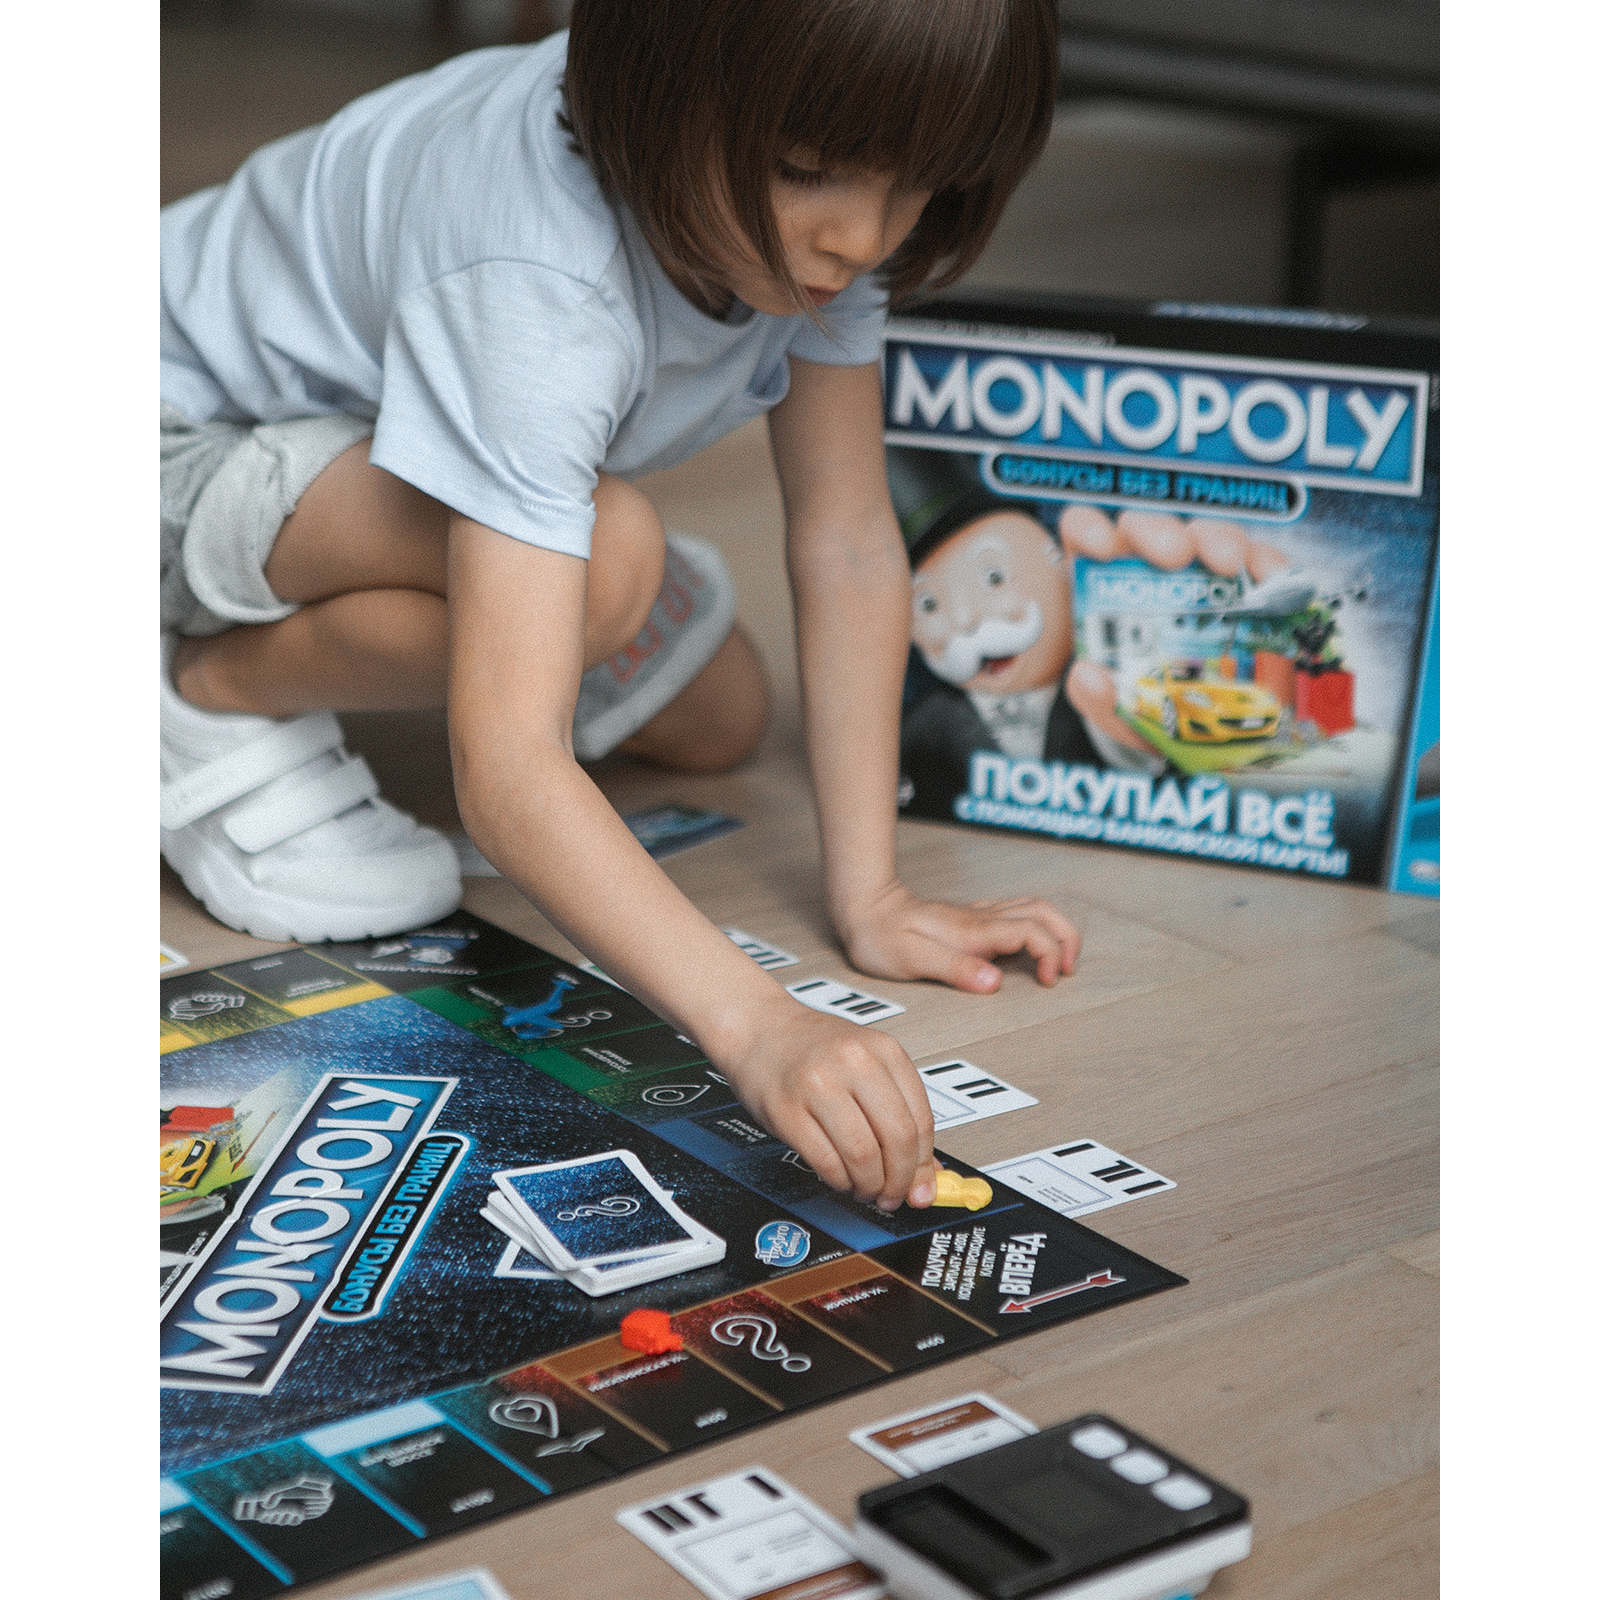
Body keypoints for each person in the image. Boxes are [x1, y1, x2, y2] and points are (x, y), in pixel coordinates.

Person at [159, 0, 1075, 1218]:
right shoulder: (535, 277)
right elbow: (506, 769)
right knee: (613, 563)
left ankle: (536, 549)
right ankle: (198, 689)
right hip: (157, 448)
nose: (862, 236)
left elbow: (849, 538)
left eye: (918, 182)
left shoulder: (803, 196)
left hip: (350, 452)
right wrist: (758, 1026)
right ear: (663, 91)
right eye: (807, 170)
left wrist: (874, 898)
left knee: (721, 716)